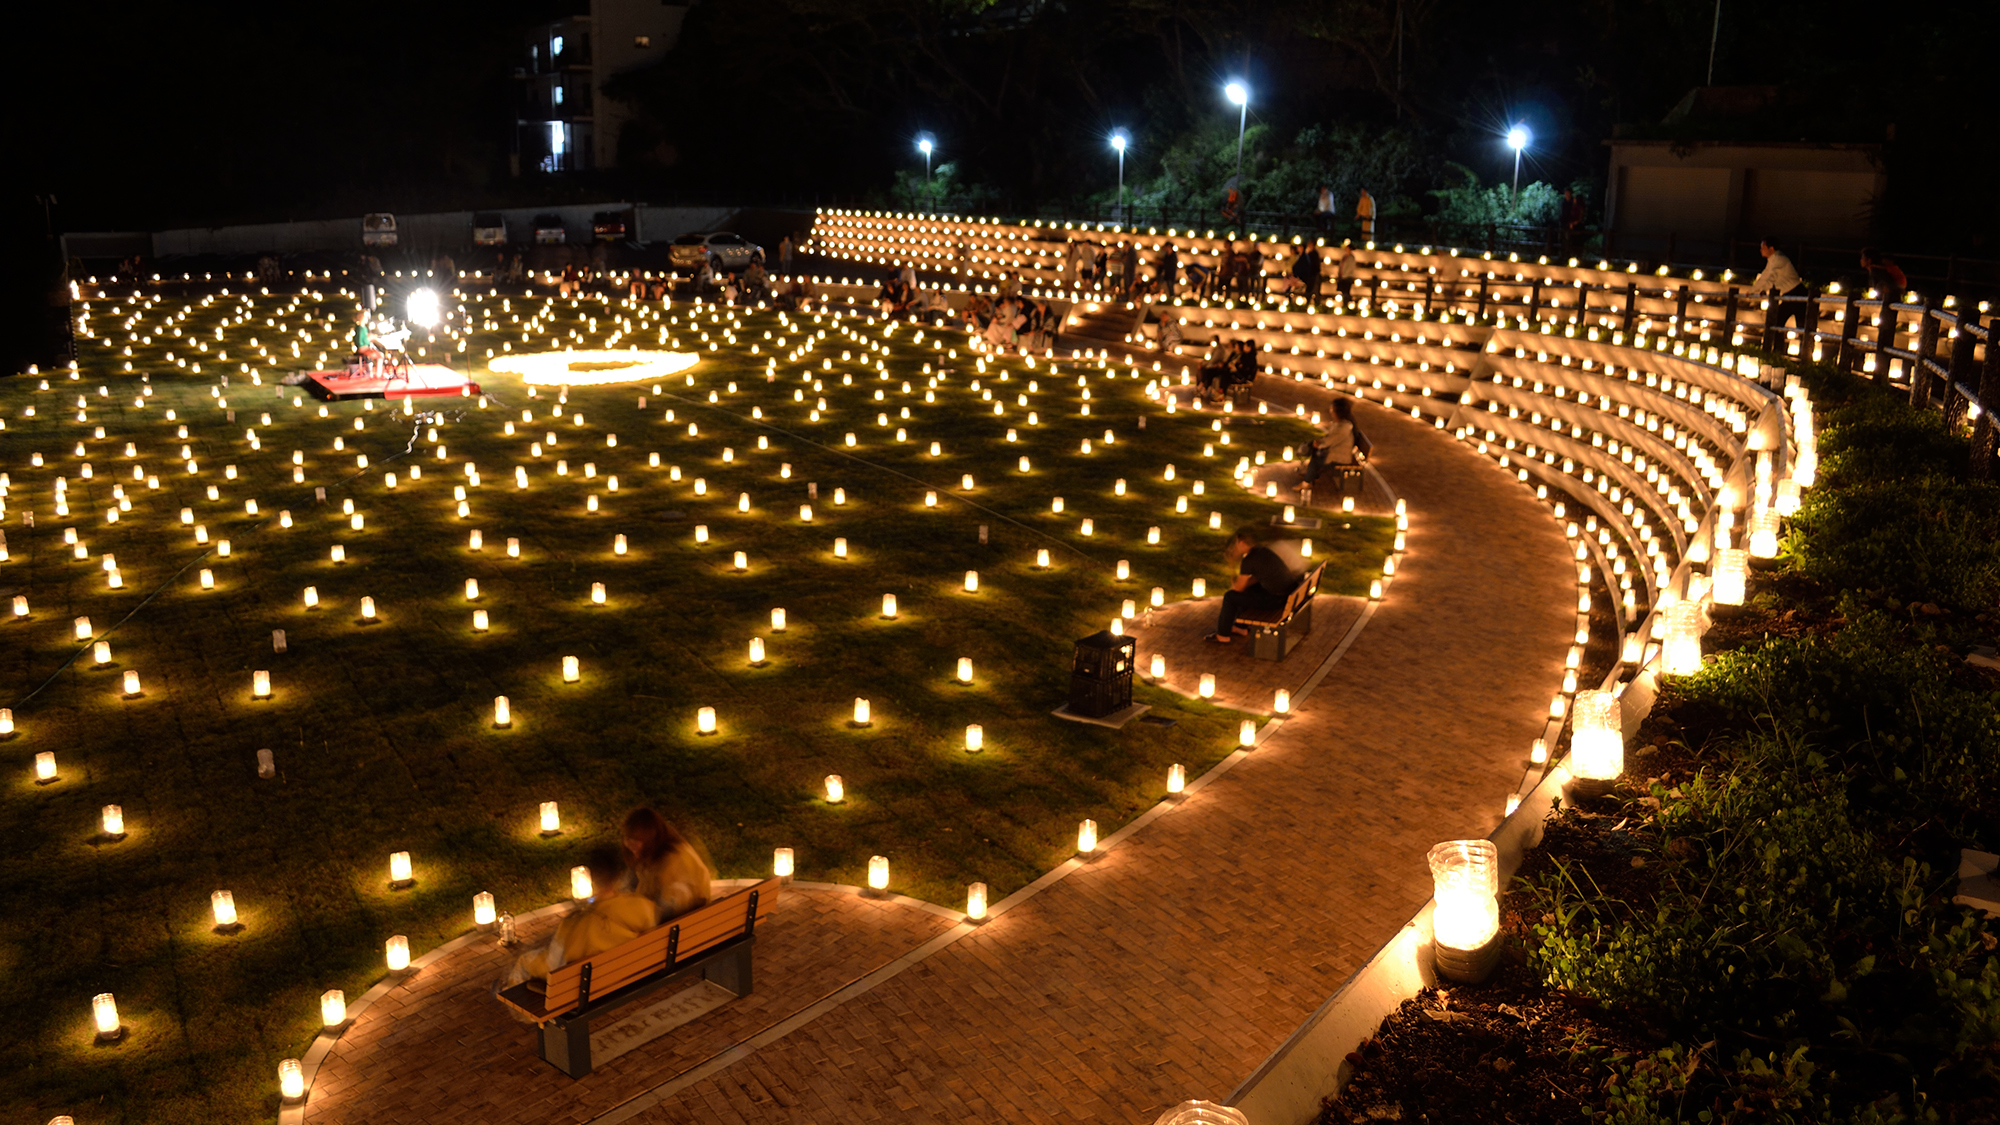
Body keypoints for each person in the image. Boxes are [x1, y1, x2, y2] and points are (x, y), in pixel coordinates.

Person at [503, 844, 658, 987]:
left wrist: (526, 962)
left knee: (523, 963)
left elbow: (551, 965)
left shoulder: (575, 925)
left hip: (589, 990)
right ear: (620, 874)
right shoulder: (641, 905)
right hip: (634, 975)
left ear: (590, 877)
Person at [1207, 527, 1305, 644]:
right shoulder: (1262, 551)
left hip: (1275, 601)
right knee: (1248, 589)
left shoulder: (1248, 560)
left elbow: (1237, 588)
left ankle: (1222, 635)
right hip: (1286, 595)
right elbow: (1251, 581)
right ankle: (1241, 627)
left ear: (1241, 543)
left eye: (1235, 545)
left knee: (1230, 597)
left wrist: (1232, 564)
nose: (1233, 548)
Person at [621, 808, 713, 921]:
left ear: (649, 837)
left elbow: (668, 909)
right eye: (628, 839)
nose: (630, 845)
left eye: (636, 840)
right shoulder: (649, 858)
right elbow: (629, 891)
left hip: (684, 926)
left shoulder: (675, 859)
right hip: (675, 926)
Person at [1749, 237, 1808, 340]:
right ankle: (1777, 349)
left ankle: (1803, 351)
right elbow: (1764, 277)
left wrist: (1763, 289)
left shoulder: (1779, 259)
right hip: (1789, 294)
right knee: (1777, 322)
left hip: (1797, 293)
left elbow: (1772, 277)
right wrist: (1752, 290)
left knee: (1801, 326)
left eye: (1763, 248)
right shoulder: (1772, 260)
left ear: (1771, 249)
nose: (1761, 250)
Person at [1300, 397, 1358, 487]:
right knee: (1315, 453)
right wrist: (1319, 442)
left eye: (1332, 410)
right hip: (1335, 453)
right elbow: (1330, 439)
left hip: (1340, 458)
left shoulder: (1344, 427)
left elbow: (1331, 441)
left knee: (1316, 460)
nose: (1330, 412)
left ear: (1338, 412)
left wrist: (1319, 445)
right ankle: (1311, 476)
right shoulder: (1340, 424)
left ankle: (1307, 482)